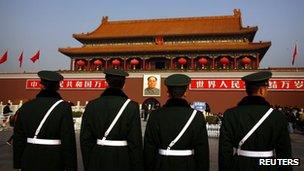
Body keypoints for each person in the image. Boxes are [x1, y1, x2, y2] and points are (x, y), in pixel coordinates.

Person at [219, 71, 292, 171]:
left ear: (247, 90)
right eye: (267, 89)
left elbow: (224, 151)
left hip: (240, 164)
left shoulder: (230, 114)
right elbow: (285, 153)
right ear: (262, 90)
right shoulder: (277, 116)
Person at [80, 68, 143, 171]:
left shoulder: (92, 105)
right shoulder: (132, 106)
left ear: (106, 82)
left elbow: (85, 140)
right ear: (124, 84)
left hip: (97, 157)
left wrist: (89, 163)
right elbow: (135, 142)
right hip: (123, 158)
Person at [13, 70, 78, 171]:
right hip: (54, 158)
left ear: (41, 85)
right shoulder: (63, 107)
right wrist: (71, 167)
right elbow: (68, 139)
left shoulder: (26, 107)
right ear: (58, 87)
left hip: (29, 157)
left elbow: (18, 137)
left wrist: (18, 163)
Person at [144, 74, 209, 171]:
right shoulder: (197, 116)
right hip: (187, 165)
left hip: (162, 164)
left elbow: (149, 148)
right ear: (186, 92)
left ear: (167, 93)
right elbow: (202, 151)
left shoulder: (155, 115)